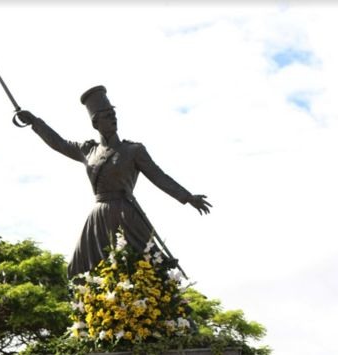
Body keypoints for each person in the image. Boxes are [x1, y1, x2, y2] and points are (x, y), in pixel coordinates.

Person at [16, 85, 211, 278]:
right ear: (96, 122)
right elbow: (58, 143)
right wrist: (35, 122)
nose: (113, 118)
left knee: (149, 262)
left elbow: (159, 176)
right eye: (107, 115)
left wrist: (187, 197)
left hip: (125, 213)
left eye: (113, 114)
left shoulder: (133, 150)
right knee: (78, 267)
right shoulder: (88, 151)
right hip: (98, 216)